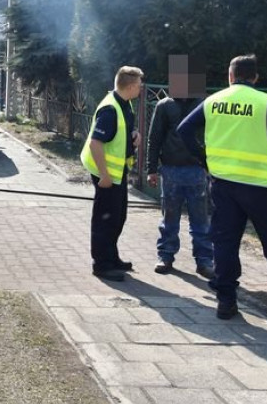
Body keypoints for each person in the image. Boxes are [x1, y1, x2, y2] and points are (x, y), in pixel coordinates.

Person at [177, 54, 267, 319]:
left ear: (229, 76)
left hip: (223, 184)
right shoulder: (266, 103)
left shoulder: (213, 101)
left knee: (225, 242)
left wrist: (204, 159)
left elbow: (183, 130)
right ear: (255, 77)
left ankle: (226, 300)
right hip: (260, 187)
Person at [146, 55, 214, 279]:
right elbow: (154, 138)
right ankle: (167, 255)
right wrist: (151, 169)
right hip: (172, 170)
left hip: (196, 170)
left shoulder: (204, 104)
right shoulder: (165, 106)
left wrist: (209, 165)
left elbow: (213, 137)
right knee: (171, 217)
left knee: (200, 219)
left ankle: (204, 261)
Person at [81, 66, 143, 282]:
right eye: (140, 84)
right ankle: (102, 264)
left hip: (117, 173)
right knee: (105, 219)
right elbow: (95, 143)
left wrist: (134, 135)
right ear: (132, 86)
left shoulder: (125, 104)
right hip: (107, 175)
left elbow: (121, 132)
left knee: (118, 217)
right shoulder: (110, 109)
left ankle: (111, 257)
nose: (141, 88)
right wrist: (105, 176)